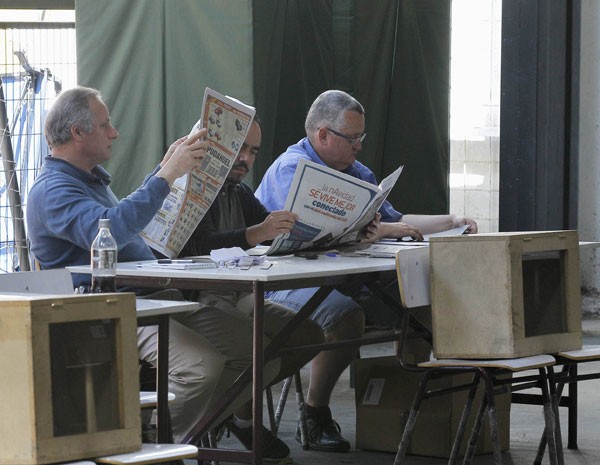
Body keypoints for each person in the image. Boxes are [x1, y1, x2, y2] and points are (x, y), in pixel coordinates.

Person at [26, 87, 322, 461]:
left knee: (263, 351)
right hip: (113, 309)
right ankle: (158, 443)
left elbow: (128, 224)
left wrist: (164, 169)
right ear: (77, 132)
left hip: (157, 299)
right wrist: (166, 175)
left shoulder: (88, 181)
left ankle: (193, 425)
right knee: (202, 366)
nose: (114, 132)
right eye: (105, 125)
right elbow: (110, 231)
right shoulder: (52, 190)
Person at [254, 89, 478, 453]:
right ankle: (314, 413)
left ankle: (413, 405)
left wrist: (451, 220)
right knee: (346, 317)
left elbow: (395, 219)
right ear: (323, 135)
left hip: (339, 277)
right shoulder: (291, 169)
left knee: (417, 298)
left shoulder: (357, 172)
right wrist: (387, 230)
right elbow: (323, 227)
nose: (359, 146)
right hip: (283, 280)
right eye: (352, 138)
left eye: (362, 137)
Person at [179, 116, 323, 458]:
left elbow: (269, 231)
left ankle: (231, 410)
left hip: (240, 292)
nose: (246, 158)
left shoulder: (239, 192)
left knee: (307, 337)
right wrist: (256, 233)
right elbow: (196, 245)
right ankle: (212, 421)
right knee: (262, 358)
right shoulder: (188, 189)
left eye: (253, 151)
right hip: (199, 297)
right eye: (239, 148)